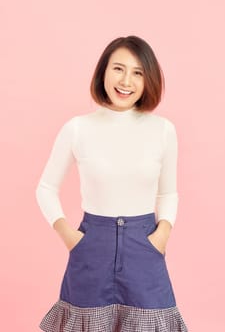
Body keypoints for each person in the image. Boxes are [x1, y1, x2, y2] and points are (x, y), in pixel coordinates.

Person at [35, 35, 188, 331]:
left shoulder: (163, 131)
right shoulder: (77, 128)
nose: (126, 81)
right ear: (103, 71)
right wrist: (69, 236)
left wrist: (163, 233)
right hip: (92, 244)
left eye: (137, 72)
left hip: (145, 243)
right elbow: (46, 188)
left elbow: (168, 192)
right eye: (118, 68)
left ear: (148, 80)